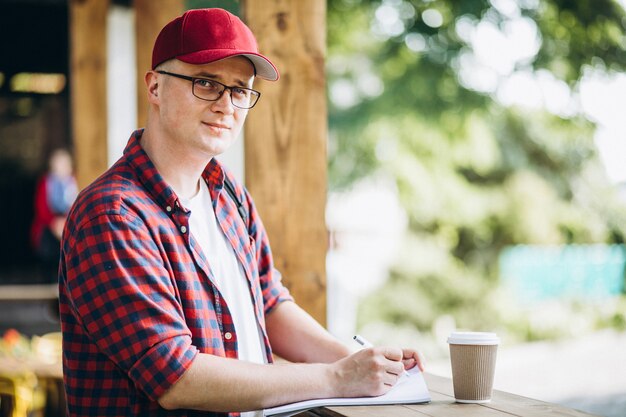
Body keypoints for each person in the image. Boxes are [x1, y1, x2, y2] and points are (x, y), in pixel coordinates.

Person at [58, 8, 424, 417]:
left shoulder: (228, 193)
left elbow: (269, 303)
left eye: (239, 90)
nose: (226, 105)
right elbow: (176, 378)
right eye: (206, 83)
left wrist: (364, 365)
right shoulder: (113, 216)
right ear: (155, 86)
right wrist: (338, 378)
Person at [31, 147, 77, 281]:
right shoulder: (46, 183)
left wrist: (65, 222)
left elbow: (76, 204)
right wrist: (54, 223)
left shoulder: (72, 183)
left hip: (67, 225)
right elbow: (41, 208)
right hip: (49, 227)